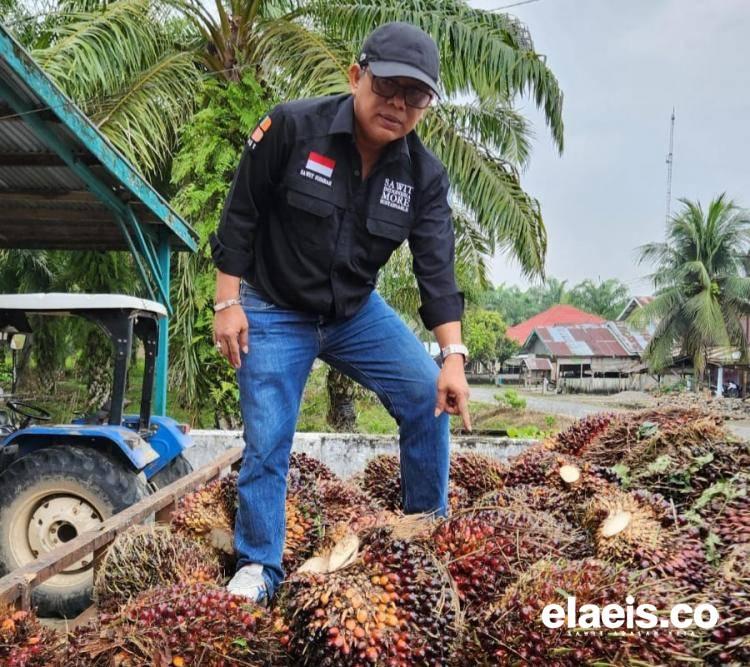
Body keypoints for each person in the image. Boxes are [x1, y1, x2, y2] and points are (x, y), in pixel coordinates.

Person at [210, 21, 471, 604]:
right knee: (270, 436)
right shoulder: (291, 127)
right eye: (387, 87)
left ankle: (424, 536)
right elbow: (240, 213)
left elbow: (437, 268)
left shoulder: (424, 176)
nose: (398, 106)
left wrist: (453, 357)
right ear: (357, 76)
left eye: (416, 96)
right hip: (274, 307)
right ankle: (259, 568)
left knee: (428, 397)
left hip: (355, 313)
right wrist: (228, 301)